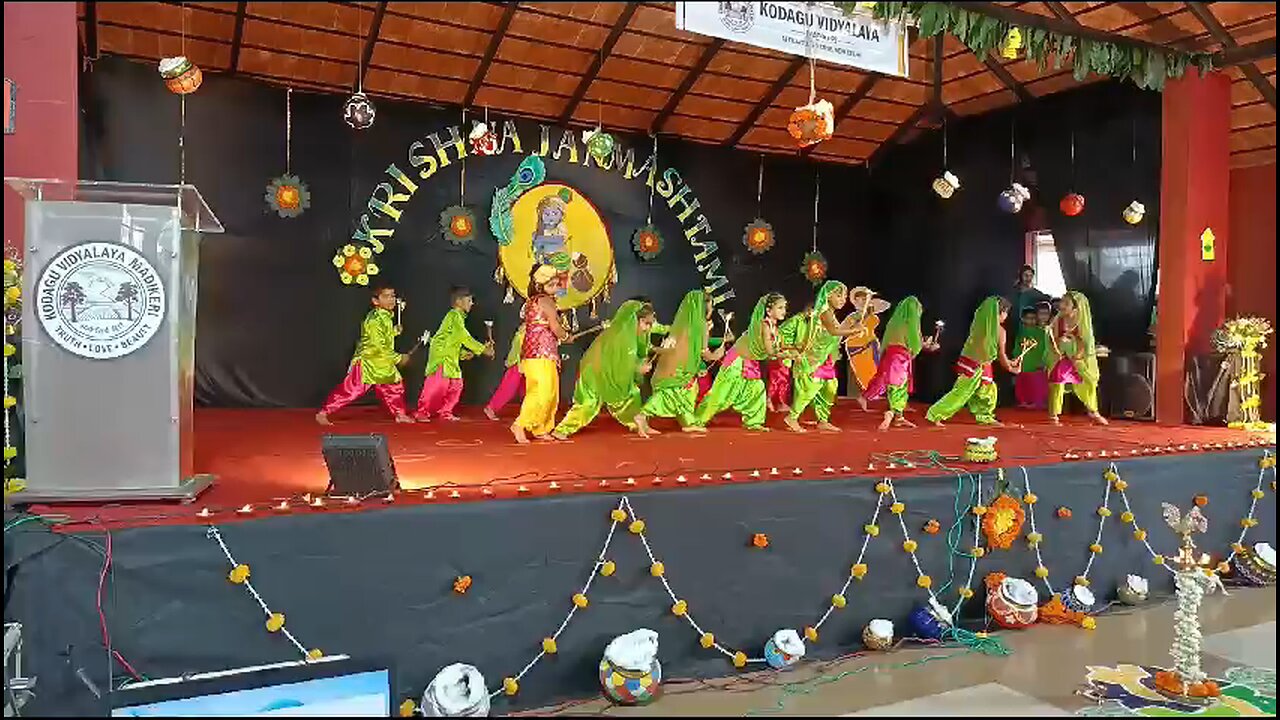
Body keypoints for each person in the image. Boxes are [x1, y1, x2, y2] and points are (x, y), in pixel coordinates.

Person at [552, 300, 659, 439]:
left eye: (650, 324)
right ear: (634, 320)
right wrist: (638, 367)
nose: (648, 328)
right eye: (646, 323)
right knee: (588, 404)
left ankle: (639, 423)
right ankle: (562, 429)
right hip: (594, 372)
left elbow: (627, 358)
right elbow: (622, 362)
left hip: (608, 371)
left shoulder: (629, 334)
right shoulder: (620, 335)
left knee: (632, 394)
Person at [316, 285, 413, 425]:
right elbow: (379, 345)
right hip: (369, 361)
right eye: (386, 296)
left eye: (392, 296)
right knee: (352, 389)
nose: (391, 299)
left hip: (382, 361)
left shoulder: (385, 316)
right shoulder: (374, 320)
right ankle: (324, 412)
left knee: (394, 387)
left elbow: (383, 338)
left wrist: (394, 331)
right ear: (375, 301)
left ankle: (400, 414)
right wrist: (398, 358)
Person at [692, 293, 788, 431]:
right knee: (722, 392)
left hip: (750, 360)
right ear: (768, 310)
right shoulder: (764, 325)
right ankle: (697, 420)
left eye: (784, 307)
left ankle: (754, 421)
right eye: (780, 308)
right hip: (737, 359)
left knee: (756, 389)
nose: (783, 311)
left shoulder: (774, 328)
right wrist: (787, 354)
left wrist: (792, 351)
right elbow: (770, 351)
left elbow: (777, 348)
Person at [636, 290, 728, 433]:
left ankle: (688, 422)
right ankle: (643, 414)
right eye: (710, 306)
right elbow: (706, 355)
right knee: (673, 393)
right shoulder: (701, 326)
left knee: (687, 392)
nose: (711, 310)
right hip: (682, 369)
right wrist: (719, 354)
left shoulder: (682, 326)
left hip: (673, 365)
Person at [925, 296, 1023, 427]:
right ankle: (935, 413)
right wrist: (1011, 368)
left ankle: (985, 416)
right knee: (961, 393)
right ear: (1000, 313)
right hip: (977, 366)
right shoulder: (1000, 331)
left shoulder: (978, 326)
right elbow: (1001, 356)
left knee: (987, 390)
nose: (1006, 316)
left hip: (973, 363)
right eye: (1006, 313)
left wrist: (1010, 363)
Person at [786, 281, 866, 433]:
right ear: (828, 296)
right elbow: (834, 332)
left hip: (825, 358)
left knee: (829, 388)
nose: (843, 299)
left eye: (844, 296)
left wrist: (851, 321)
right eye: (839, 295)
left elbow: (837, 332)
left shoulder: (830, 312)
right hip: (815, 358)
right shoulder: (824, 312)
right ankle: (792, 417)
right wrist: (854, 330)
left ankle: (823, 420)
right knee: (810, 388)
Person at [416, 287, 494, 421]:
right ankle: (422, 412)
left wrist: (464, 354)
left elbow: (453, 340)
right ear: (459, 301)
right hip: (442, 356)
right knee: (437, 385)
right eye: (469, 300)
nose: (472, 303)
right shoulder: (454, 315)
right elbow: (463, 337)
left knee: (456, 386)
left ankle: (445, 412)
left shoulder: (458, 317)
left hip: (450, 356)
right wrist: (483, 350)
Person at [862, 296, 940, 430]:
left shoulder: (894, 323)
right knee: (898, 386)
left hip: (891, 356)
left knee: (895, 385)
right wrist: (928, 346)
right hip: (900, 358)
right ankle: (891, 415)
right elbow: (914, 345)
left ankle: (897, 416)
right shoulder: (910, 324)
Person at [511, 266, 569, 444]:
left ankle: (541, 428)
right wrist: (565, 336)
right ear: (540, 285)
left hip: (537, 354)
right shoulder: (545, 300)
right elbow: (555, 326)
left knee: (548, 392)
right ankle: (520, 424)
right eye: (551, 284)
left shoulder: (533, 300)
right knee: (542, 392)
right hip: (540, 353)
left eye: (556, 284)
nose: (556, 287)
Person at [1047, 290, 1108, 426]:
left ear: (1075, 307)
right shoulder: (1058, 320)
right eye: (1062, 301)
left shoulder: (1081, 321)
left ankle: (1093, 411)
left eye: (1066, 303)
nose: (1061, 305)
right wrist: (1060, 344)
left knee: (1089, 382)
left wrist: (1077, 356)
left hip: (1078, 358)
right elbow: (1052, 339)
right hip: (1062, 357)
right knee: (1057, 382)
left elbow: (1084, 342)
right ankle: (1053, 415)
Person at [844, 286, 889, 401]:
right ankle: (865, 394)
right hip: (857, 346)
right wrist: (855, 326)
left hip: (871, 345)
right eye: (860, 298)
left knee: (874, 370)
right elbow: (841, 331)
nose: (862, 301)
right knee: (862, 371)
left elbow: (885, 305)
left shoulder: (871, 314)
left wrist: (870, 305)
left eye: (865, 298)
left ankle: (872, 393)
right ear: (855, 300)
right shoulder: (853, 317)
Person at [768, 302, 812, 413]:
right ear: (809, 310)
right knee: (779, 379)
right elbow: (784, 337)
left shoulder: (803, 321)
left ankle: (778, 402)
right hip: (781, 352)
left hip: (786, 352)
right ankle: (771, 401)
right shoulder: (797, 320)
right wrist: (794, 349)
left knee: (783, 378)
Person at [483, 323, 526, 420]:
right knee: (509, 387)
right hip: (519, 363)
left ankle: (530, 413)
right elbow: (519, 349)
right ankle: (491, 408)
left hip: (528, 363)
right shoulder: (523, 332)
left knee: (528, 389)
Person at [1013, 306, 1048, 409]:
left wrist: (1043, 361)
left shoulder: (1041, 333)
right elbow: (1017, 347)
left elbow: (1045, 348)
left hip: (1036, 363)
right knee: (1023, 383)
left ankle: (1038, 403)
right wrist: (1016, 359)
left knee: (1037, 383)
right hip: (1023, 364)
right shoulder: (1020, 332)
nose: (1031, 320)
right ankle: (1024, 401)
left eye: (1033, 318)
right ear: (1022, 319)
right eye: (1028, 318)